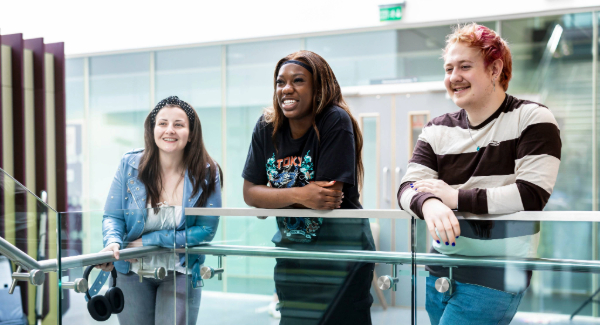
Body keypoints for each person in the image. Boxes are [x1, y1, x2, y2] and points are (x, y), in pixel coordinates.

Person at [398, 23, 561, 325]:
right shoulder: (436, 128)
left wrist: (453, 197)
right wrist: (430, 203)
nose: (453, 77)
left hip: (495, 276)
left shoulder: (532, 118)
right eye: (448, 69)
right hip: (439, 270)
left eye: (464, 66)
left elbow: (530, 195)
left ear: (495, 69)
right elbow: (407, 188)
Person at [242, 50, 375, 325]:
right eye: (280, 82)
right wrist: (298, 194)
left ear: (318, 89)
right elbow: (249, 193)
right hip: (293, 258)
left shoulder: (335, 120)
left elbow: (326, 198)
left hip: (343, 258)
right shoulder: (266, 126)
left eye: (298, 80)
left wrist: (270, 199)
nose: (286, 89)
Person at [94, 96, 222, 325]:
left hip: (180, 271)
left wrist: (150, 241)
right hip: (131, 270)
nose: (169, 130)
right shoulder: (129, 165)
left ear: (191, 133)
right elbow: (113, 216)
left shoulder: (207, 172)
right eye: (162, 123)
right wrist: (113, 241)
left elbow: (205, 230)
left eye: (178, 124)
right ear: (152, 129)